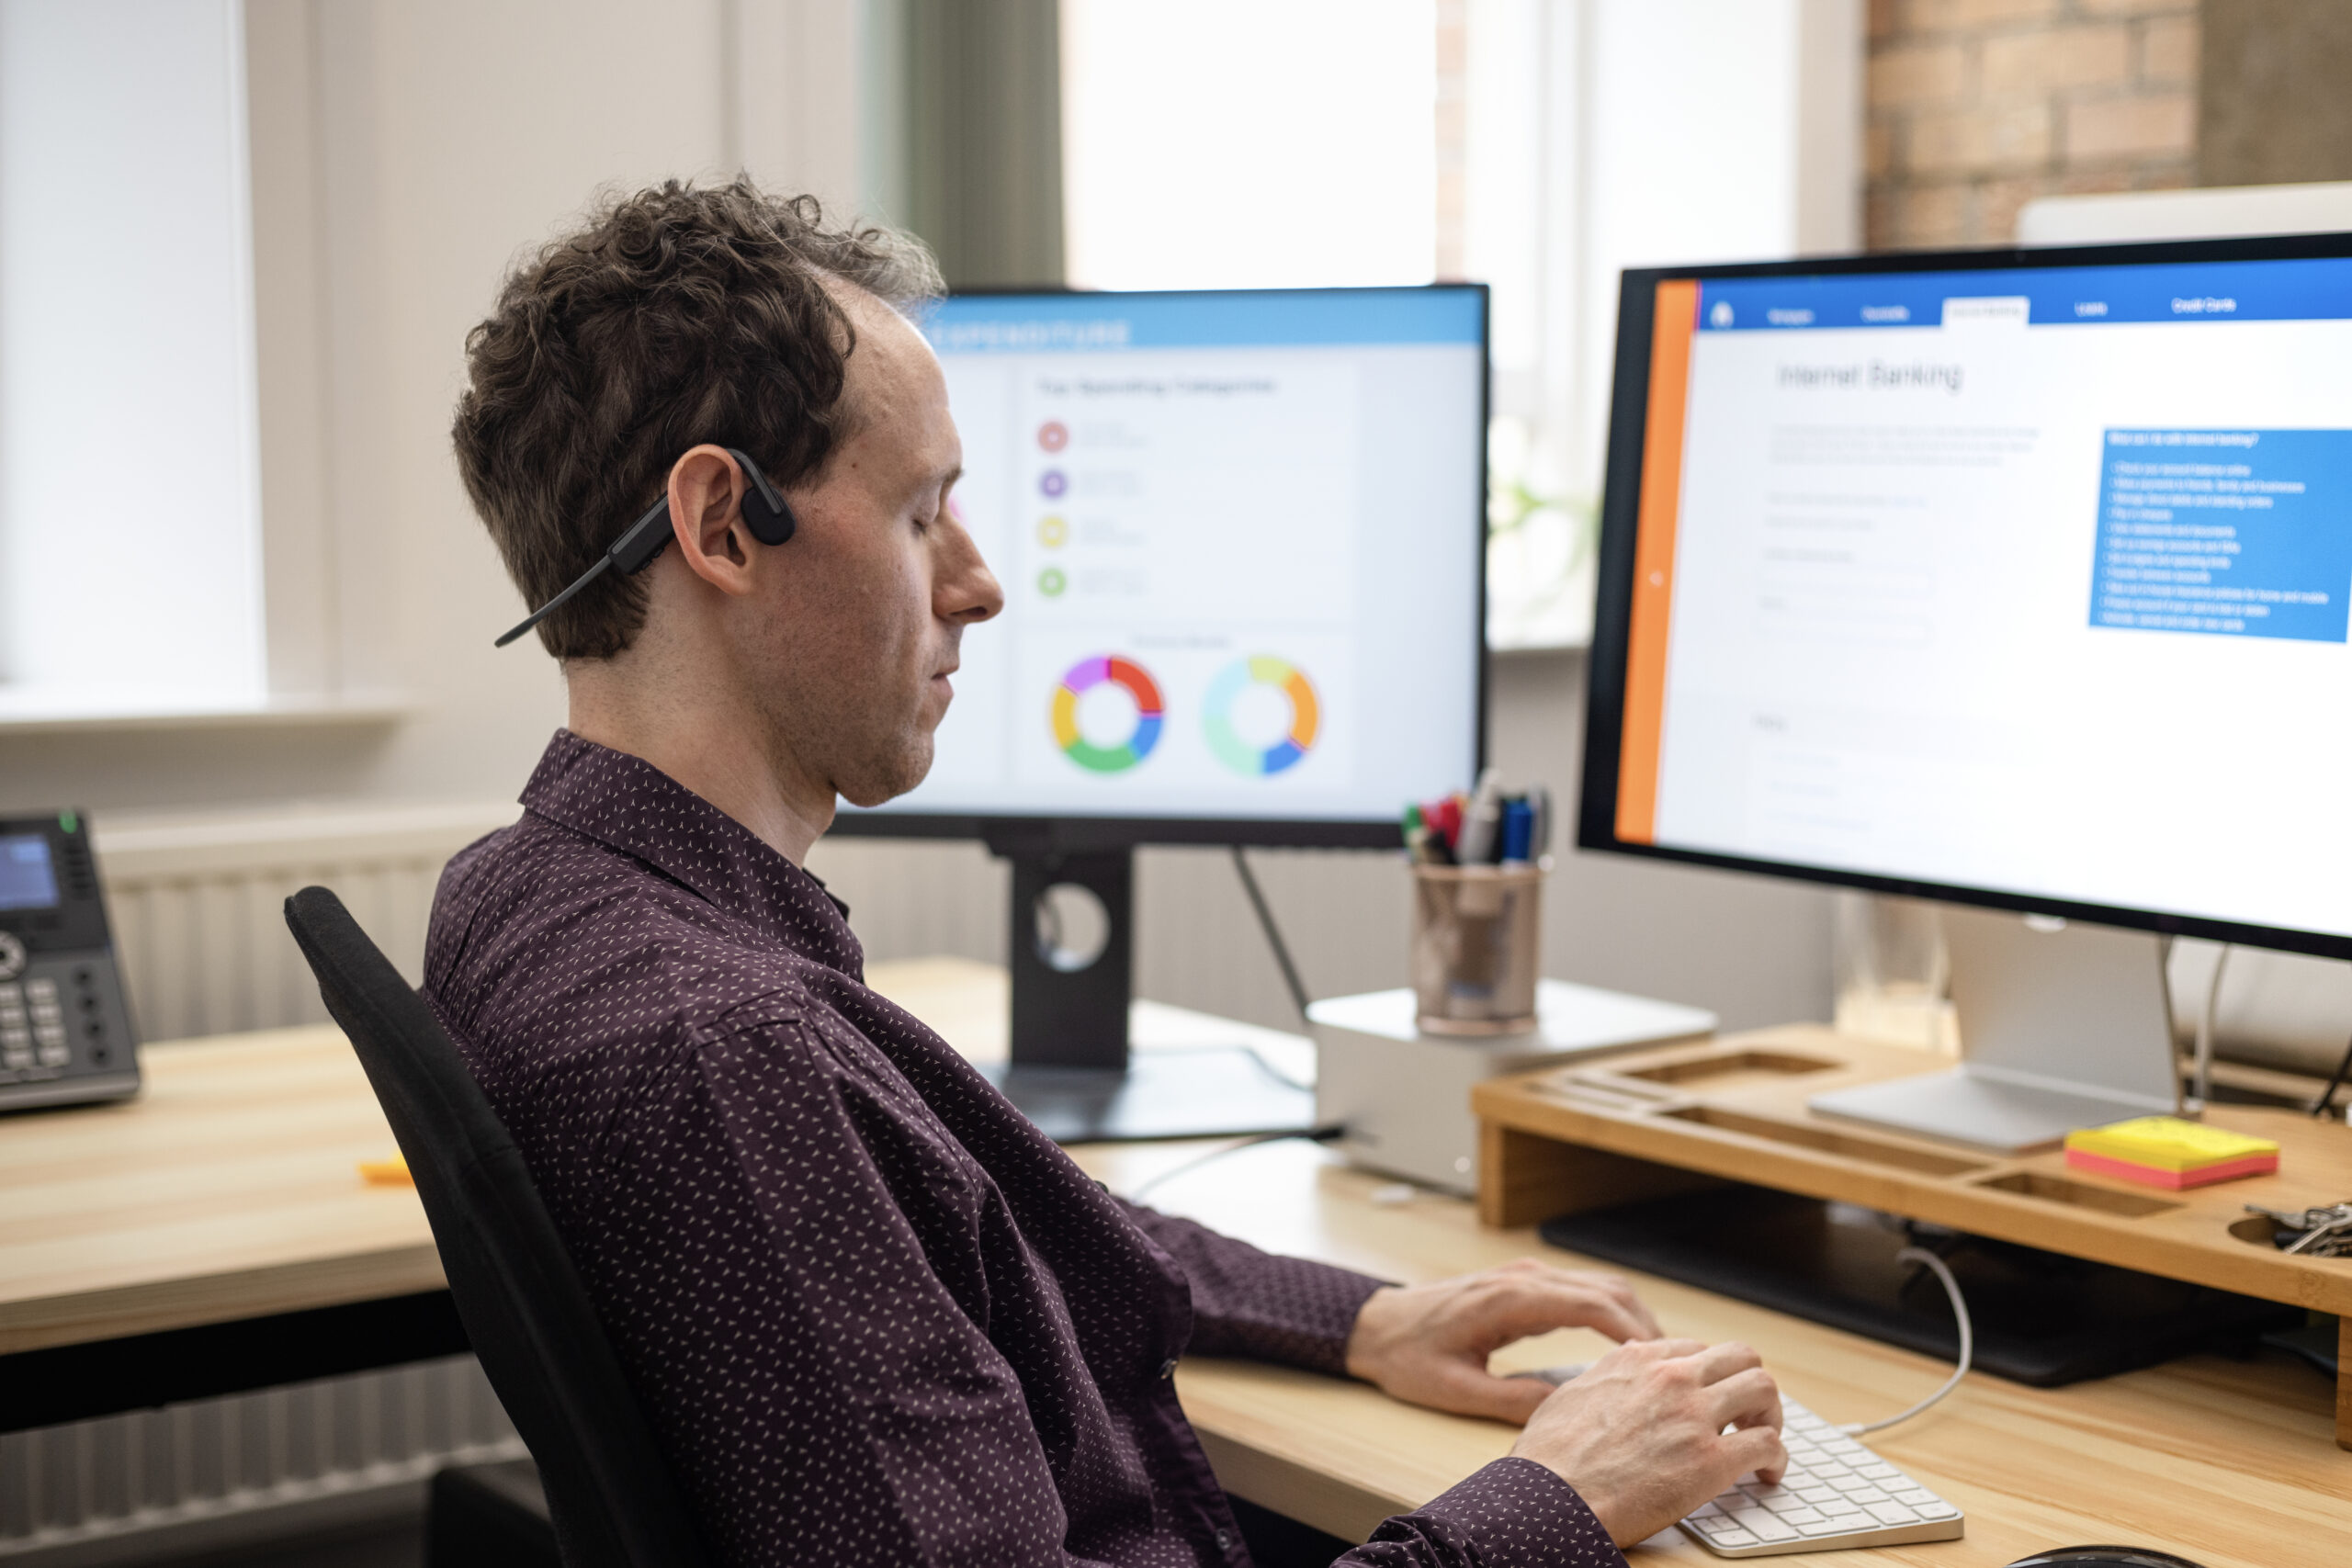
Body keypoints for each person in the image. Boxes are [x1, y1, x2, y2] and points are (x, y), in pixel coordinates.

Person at [428, 177, 1784, 1568]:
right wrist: (1553, 1501)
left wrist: (1362, 1318)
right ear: (722, 527)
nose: (978, 582)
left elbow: (982, 1222)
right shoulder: (732, 1050)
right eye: (920, 513)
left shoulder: (529, 899)